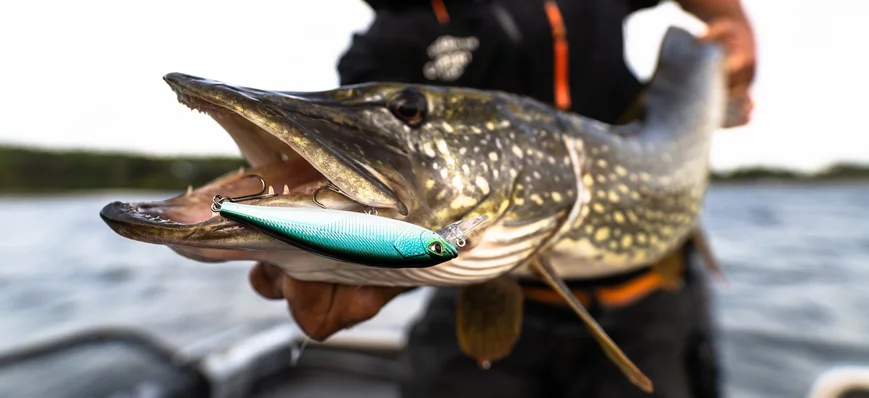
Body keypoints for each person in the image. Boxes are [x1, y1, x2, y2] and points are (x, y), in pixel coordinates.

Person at [249, 0, 756, 396]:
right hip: (478, 281)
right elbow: (386, 175)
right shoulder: (386, 42)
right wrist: (373, 264)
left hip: (648, 305)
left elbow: (714, 14)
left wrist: (730, 23)